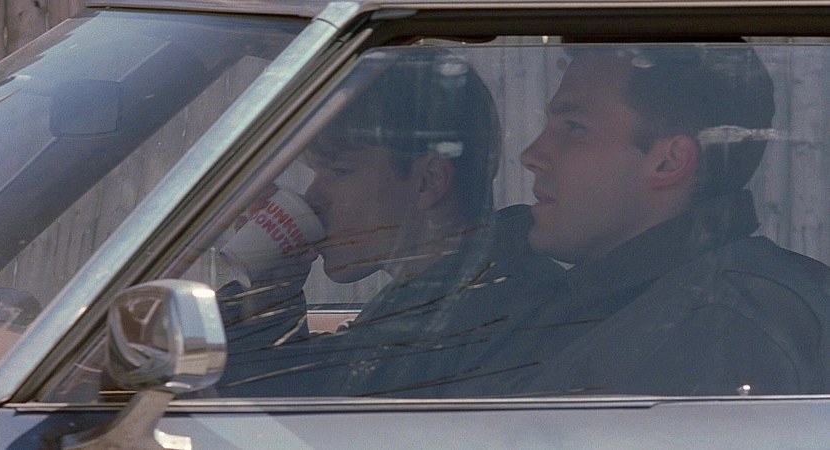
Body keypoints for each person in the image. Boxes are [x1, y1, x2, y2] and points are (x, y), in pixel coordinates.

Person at [467, 43, 830, 396]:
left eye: (574, 127)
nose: (532, 155)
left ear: (668, 162)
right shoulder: (627, 302)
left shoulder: (715, 328)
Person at [216, 48, 562, 396]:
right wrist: (270, 294)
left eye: (340, 171)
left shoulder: (481, 321)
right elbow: (315, 388)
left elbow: (311, 404)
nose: (314, 196)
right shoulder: (438, 302)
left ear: (428, 181)